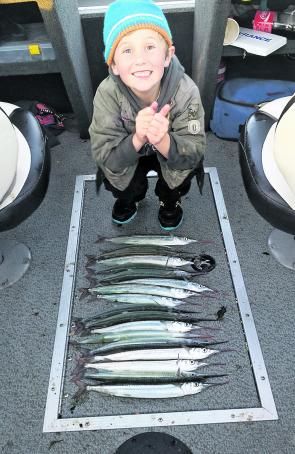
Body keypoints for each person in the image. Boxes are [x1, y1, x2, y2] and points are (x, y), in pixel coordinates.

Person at [89, 0, 206, 230]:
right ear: (113, 64)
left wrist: (163, 140)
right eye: (127, 50)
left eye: (150, 47)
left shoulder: (187, 92)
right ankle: (128, 200)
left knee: (179, 178)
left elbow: (193, 154)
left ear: (167, 55)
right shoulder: (106, 94)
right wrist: (138, 138)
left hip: (170, 152)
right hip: (130, 153)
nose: (140, 59)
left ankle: (169, 203)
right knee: (121, 181)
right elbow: (105, 156)